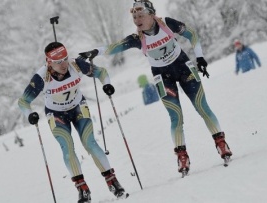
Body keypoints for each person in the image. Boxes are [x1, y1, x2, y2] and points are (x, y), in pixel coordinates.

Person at [79, 0, 232, 177]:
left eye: (141, 15)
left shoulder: (167, 23)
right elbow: (114, 47)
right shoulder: (137, 38)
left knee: (202, 107)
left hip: (184, 68)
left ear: (151, 15)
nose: (137, 19)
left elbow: (192, 34)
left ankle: (221, 143)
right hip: (162, 77)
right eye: (134, 17)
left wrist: (200, 57)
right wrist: (94, 52)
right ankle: (182, 156)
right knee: (176, 117)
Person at [18, 42, 127, 202]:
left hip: (78, 108)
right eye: (58, 62)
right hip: (56, 114)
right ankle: (82, 189)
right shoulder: (41, 77)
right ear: (49, 62)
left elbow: (101, 73)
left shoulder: (76, 65)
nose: (63, 64)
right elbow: (23, 101)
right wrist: (30, 114)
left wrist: (107, 85)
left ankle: (113, 181)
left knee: (90, 143)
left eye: (65, 59)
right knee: (67, 147)